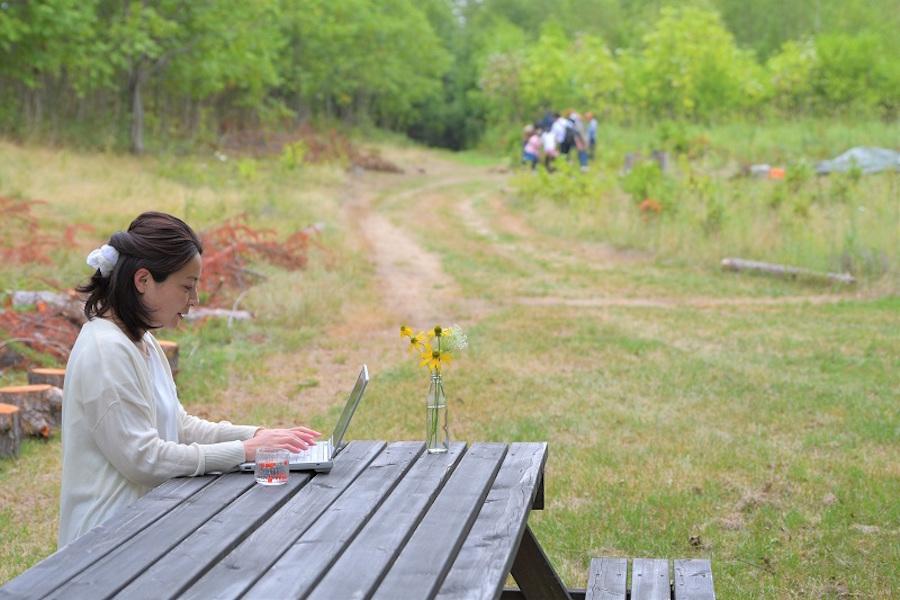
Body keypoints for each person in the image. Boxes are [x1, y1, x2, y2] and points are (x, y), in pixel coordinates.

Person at [58, 211, 320, 547]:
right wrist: (244, 451)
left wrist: (258, 436)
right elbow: (144, 459)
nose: (193, 300)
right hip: (107, 542)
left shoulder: (140, 341)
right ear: (143, 280)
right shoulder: (105, 350)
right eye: (186, 286)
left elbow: (179, 427)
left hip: (148, 520)